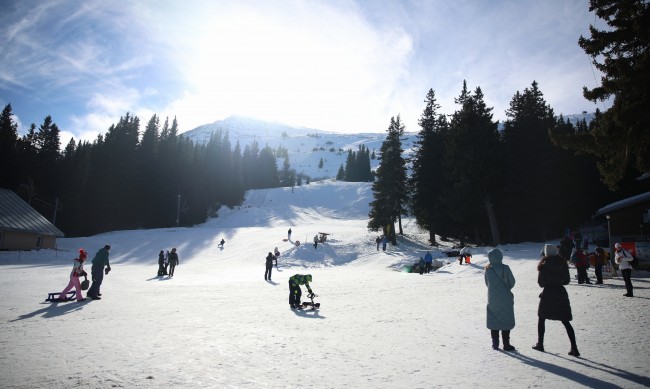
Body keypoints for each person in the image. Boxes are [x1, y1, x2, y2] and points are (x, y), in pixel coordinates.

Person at [533, 244, 580, 357]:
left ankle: (540, 344)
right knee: (565, 321)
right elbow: (567, 281)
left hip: (548, 294)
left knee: (542, 319)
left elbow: (541, 283)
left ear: (546, 253)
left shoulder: (543, 265)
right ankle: (574, 348)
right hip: (560, 293)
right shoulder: (563, 263)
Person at [484, 248, 516, 351]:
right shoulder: (506, 268)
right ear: (501, 257)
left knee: (494, 320)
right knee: (505, 319)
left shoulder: (488, 270)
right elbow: (512, 282)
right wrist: (506, 288)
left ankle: (495, 344)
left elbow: (486, 284)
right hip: (506, 297)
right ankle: (506, 344)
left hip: (493, 298)